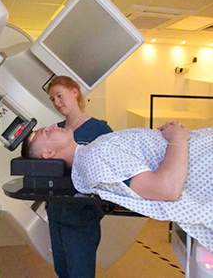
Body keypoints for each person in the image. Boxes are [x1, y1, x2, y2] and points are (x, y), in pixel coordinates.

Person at [21, 121, 213, 253]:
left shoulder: (92, 151)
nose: (54, 125)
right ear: (48, 153)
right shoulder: (94, 158)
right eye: (46, 131)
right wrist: (176, 138)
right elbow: (166, 189)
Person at [43, 76, 113, 278]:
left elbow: (109, 168)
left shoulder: (99, 130)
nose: (56, 103)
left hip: (82, 216)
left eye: (59, 96)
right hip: (57, 212)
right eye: (52, 99)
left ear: (75, 92)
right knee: (62, 269)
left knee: (80, 273)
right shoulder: (55, 130)